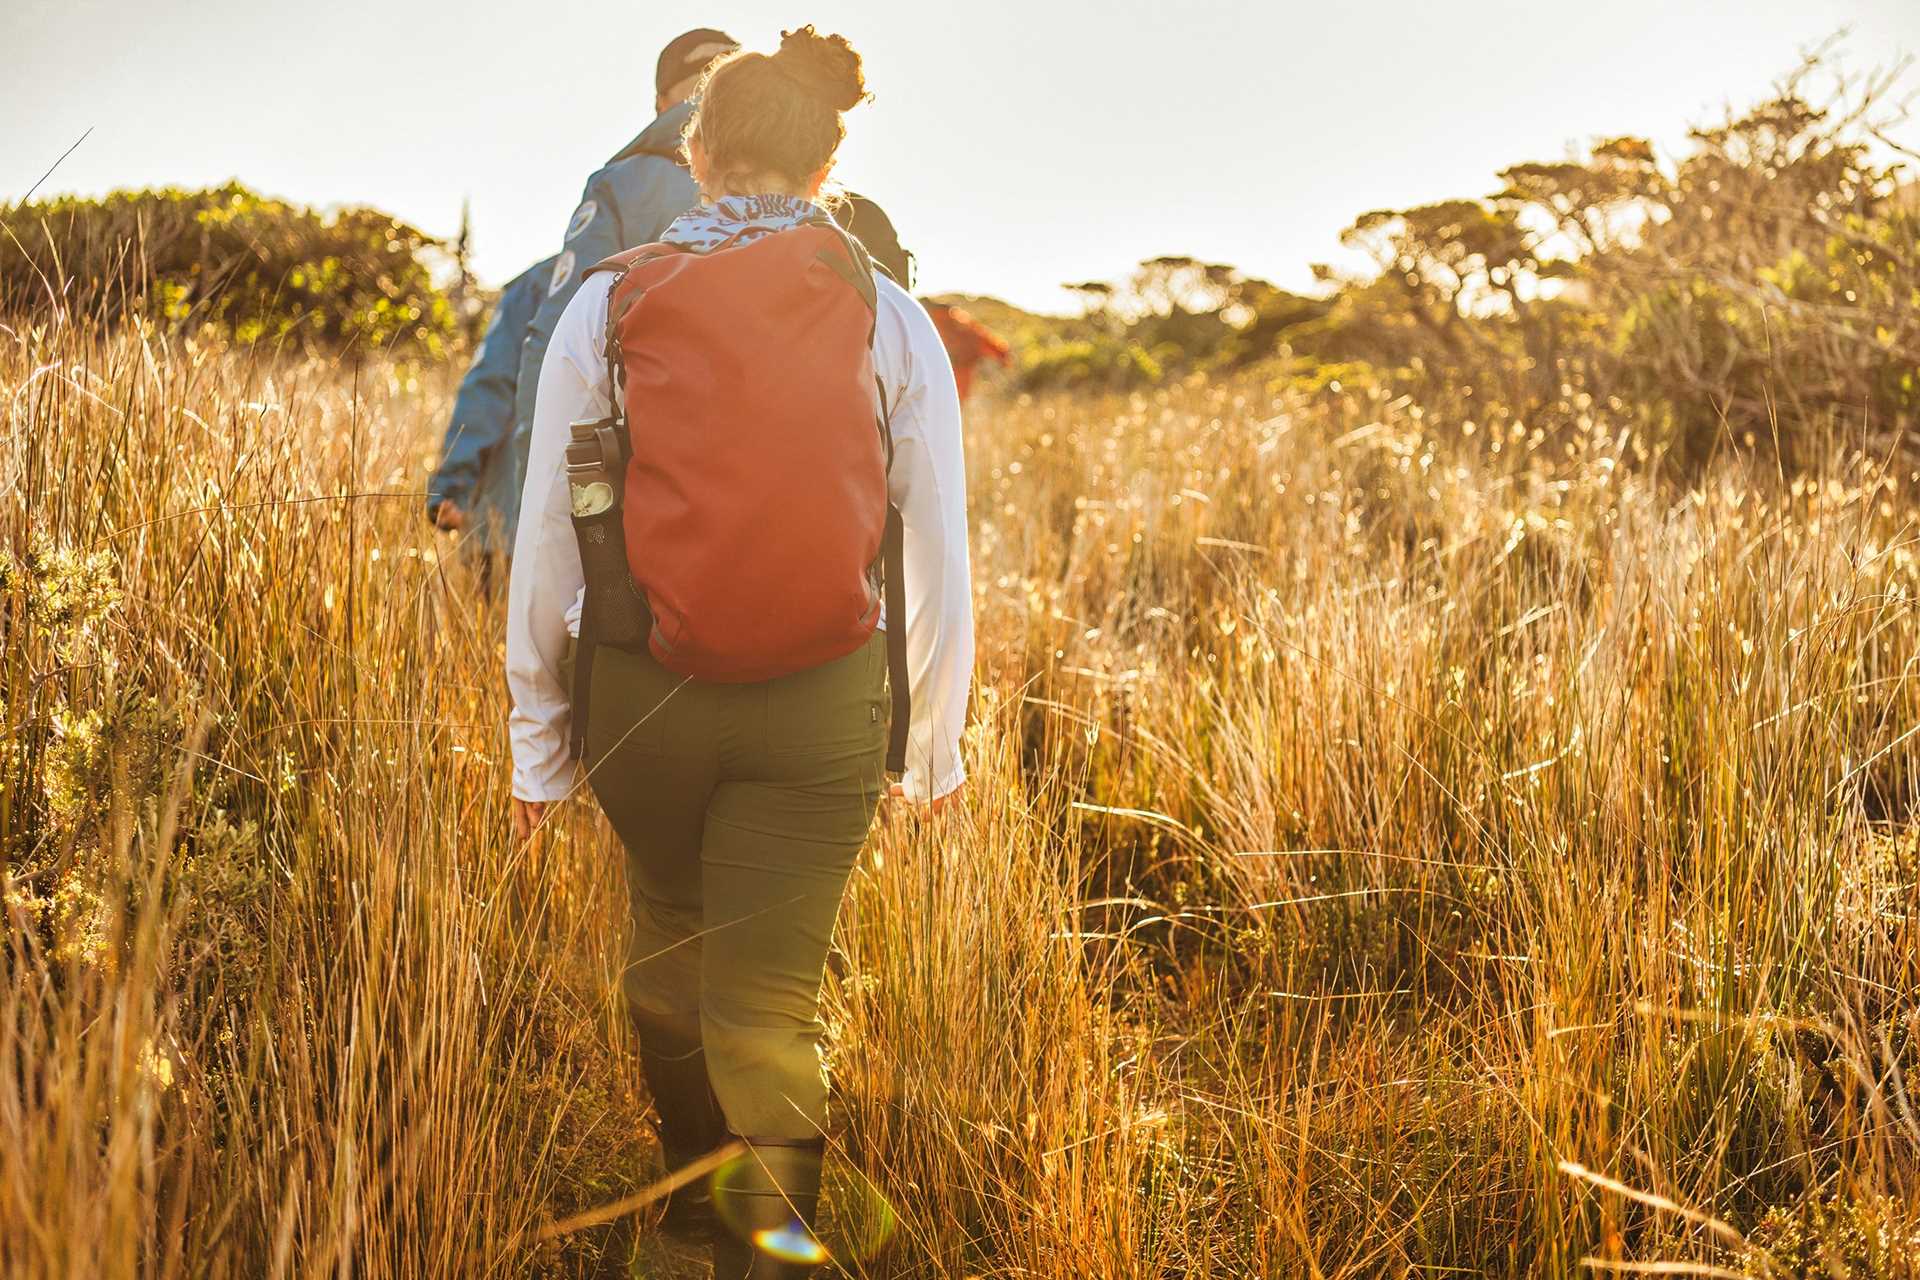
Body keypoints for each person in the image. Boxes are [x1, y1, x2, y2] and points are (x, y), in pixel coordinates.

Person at [505, 27, 972, 1280]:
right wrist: (932, 743)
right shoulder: (891, 312)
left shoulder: (608, 302)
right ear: (829, 164)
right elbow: (934, 543)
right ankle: (772, 1249)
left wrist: (538, 747)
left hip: (643, 703)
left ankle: (683, 1219)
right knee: (770, 998)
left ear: (697, 154)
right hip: (822, 704)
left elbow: (549, 539)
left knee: (667, 952)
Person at [503, 27, 739, 536]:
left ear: (661, 102)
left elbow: (557, 342)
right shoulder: (806, 192)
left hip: (649, 486)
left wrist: (535, 504)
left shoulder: (619, 185)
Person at [424, 255, 554, 559]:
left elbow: (491, 383)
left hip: (509, 521)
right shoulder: (672, 268)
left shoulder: (539, 285)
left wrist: (452, 487)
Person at [924, 300, 1011, 402]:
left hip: (929, 381)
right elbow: (989, 343)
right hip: (959, 384)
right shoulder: (964, 325)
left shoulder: (927, 323)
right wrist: (1004, 358)